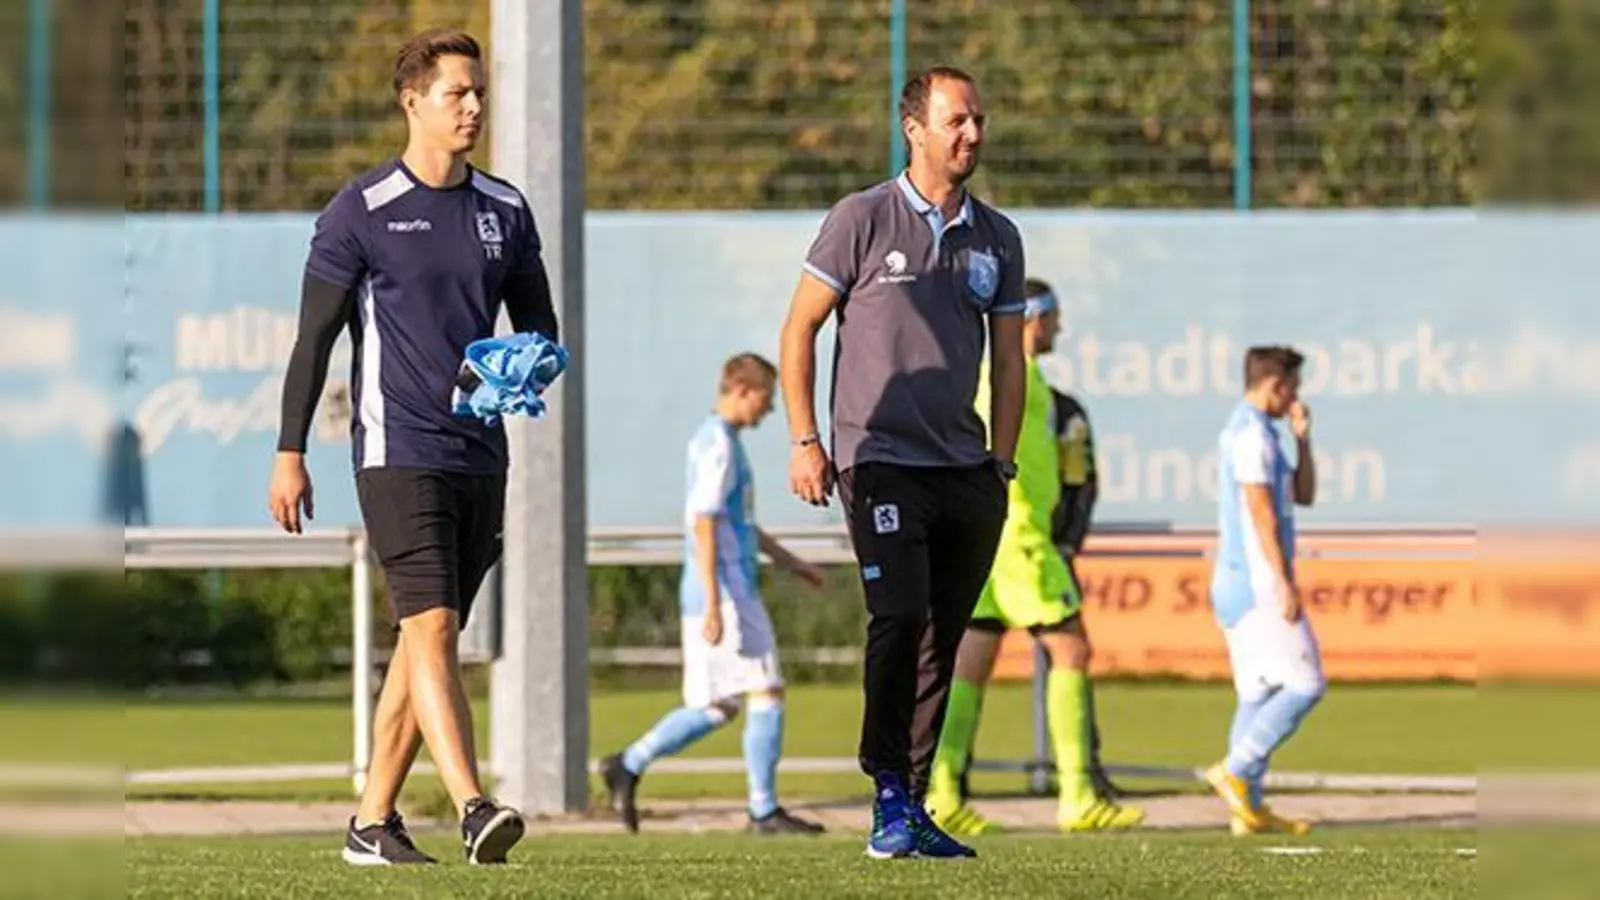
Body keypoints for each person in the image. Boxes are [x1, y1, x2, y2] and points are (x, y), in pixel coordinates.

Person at [267, 28, 558, 866]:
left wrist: (525, 363)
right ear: (412, 102)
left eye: (478, 92)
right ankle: (473, 805)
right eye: (455, 93)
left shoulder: (506, 209)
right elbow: (313, 340)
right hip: (398, 452)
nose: (473, 106)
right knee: (430, 623)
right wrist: (289, 451)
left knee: (426, 637)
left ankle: (371, 824)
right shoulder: (361, 210)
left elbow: (540, 327)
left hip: (481, 454)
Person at [778, 65, 1026, 860]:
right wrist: (806, 440)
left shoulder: (998, 236)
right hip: (879, 459)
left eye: (979, 120)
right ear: (914, 129)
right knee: (899, 617)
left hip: (967, 471)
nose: (973, 134)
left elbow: (1010, 359)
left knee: (940, 640)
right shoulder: (862, 218)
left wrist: (1001, 464)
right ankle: (886, 785)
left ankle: (912, 804)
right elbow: (799, 329)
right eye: (957, 121)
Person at [924, 279, 1144, 836]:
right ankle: (1077, 795)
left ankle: (942, 792)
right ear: (1033, 317)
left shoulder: (989, 373)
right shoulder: (1010, 373)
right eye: (1055, 318)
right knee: (1071, 648)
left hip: (986, 534)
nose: (1059, 329)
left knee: (972, 658)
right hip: (1017, 533)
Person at [600, 353, 827, 837]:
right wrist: (713, 601)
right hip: (727, 593)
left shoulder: (716, 440)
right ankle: (763, 810)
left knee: (717, 706)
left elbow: (738, 524)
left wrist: (792, 564)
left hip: (723, 590)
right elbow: (702, 522)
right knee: (766, 689)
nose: (769, 410)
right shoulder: (719, 445)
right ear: (742, 390)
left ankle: (629, 762)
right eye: (766, 398)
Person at [1204, 345, 1323, 837]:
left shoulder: (1261, 432)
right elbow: (1261, 512)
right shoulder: (1251, 436)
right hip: (1257, 584)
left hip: (1238, 583)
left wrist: (1303, 440)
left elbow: (1304, 495)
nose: (1296, 397)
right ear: (1275, 385)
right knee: (1306, 683)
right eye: (1292, 388)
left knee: (1258, 693)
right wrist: (1284, 581)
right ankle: (1237, 770)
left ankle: (1247, 809)